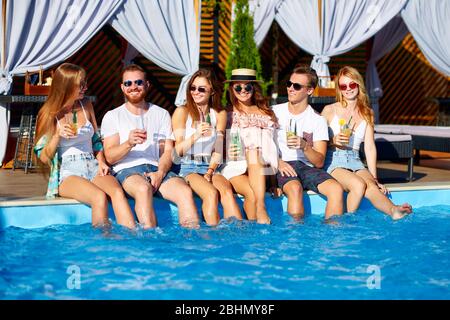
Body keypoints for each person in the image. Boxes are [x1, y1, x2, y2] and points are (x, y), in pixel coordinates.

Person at [33, 63, 136, 229]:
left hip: (93, 165)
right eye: (80, 84)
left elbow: (95, 140)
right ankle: (103, 243)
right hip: (69, 172)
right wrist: (57, 136)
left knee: (117, 192)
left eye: (85, 83)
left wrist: (101, 161)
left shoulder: (86, 104)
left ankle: (134, 240)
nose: (85, 87)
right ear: (66, 86)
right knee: (98, 197)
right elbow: (44, 157)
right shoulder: (49, 114)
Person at [101, 64, 199, 229]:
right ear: (122, 87)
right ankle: (150, 242)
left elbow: (167, 151)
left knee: (185, 192)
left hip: (156, 168)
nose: (133, 87)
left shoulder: (161, 114)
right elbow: (110, 157)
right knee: (143, 189)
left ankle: (192, 243)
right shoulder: (113, 116)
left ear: (147, 85)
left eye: (138, 82)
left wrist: (160, 173)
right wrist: (128, 143)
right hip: (127, 170)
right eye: (128, 83)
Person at [321, 66, 412, 219]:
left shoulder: (367, 112)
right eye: (343, 86)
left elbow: (369, 147)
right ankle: (346, 222)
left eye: (352, 85)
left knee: (371, 186)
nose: (348, 89)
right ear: (339, 89)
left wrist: (374, 178)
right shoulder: (330, 110)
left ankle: (393, 211)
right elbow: (318, 143)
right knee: (358, 185)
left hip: (355, 160)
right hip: (334, 159)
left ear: (358, 84)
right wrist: (333, 140)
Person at [272, 65, 344, 220]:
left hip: (306, 167)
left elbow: (319, 162)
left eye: (296, 86)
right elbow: (262, 144)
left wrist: (304, 145)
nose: (290, 88)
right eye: (289, 84)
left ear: (309, 90)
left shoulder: (317, 120)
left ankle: (333, 237)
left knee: (336, 189)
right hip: (282, 163)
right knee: (295, 188)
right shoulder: (274, 112)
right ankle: (295, 237)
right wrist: (277, 161)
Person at [172, 69, 242, 226]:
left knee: (227, 192)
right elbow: (177, 153)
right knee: (211, 193)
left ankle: (239, 237)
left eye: (201, 89)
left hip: (210, 165)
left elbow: (218, 147)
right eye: (193, 88)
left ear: (211, 91)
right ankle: (213, 237)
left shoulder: (219, 113)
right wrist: (195, 135)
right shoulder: (182, 112)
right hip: (187, 166)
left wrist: (210, 171)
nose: (195, 92)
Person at [219, 68, 279, 224]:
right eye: (238, 87)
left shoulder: (267, 113)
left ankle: (260, 209)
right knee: (251, 194)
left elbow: (273, 146)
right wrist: (226, 151)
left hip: (262, 166)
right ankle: (258, 222)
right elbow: (216, 145)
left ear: (254, 88)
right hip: (234, 165)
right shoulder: (226, 113)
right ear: (232, 89)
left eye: (247, 87)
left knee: (254, 154)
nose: (243, 90)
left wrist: (274, 182)